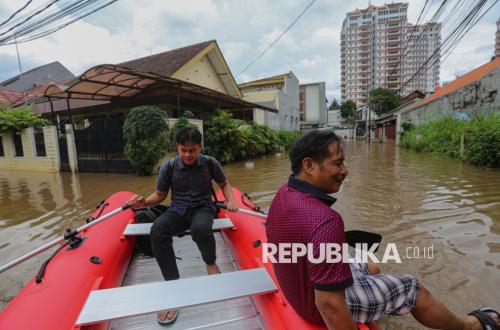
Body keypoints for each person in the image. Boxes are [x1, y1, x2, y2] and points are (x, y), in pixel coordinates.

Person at [266, 130, 499, 330]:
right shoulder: (326, 221)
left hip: (298, 293)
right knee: (411, 287)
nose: (345, 171)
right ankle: (470, 325)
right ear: (308, 165)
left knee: (373, 266)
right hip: (315, 308)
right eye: (337, 163)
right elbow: (328, 303)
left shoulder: (283, 194)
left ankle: (380, 298)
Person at [128, 126, 238, 325]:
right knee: (158, 230)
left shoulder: (210, 163)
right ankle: (172, 283)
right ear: (177, 148)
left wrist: (230, 200)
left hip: (203, 208)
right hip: (177, 210)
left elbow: (224, 183)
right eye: (183, 150)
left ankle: (211, 263)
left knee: (200, 228)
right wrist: (143, 202)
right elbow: (160, 195)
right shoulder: (168, 167)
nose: (188, 154)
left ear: (200, 147)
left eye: (193, 150)